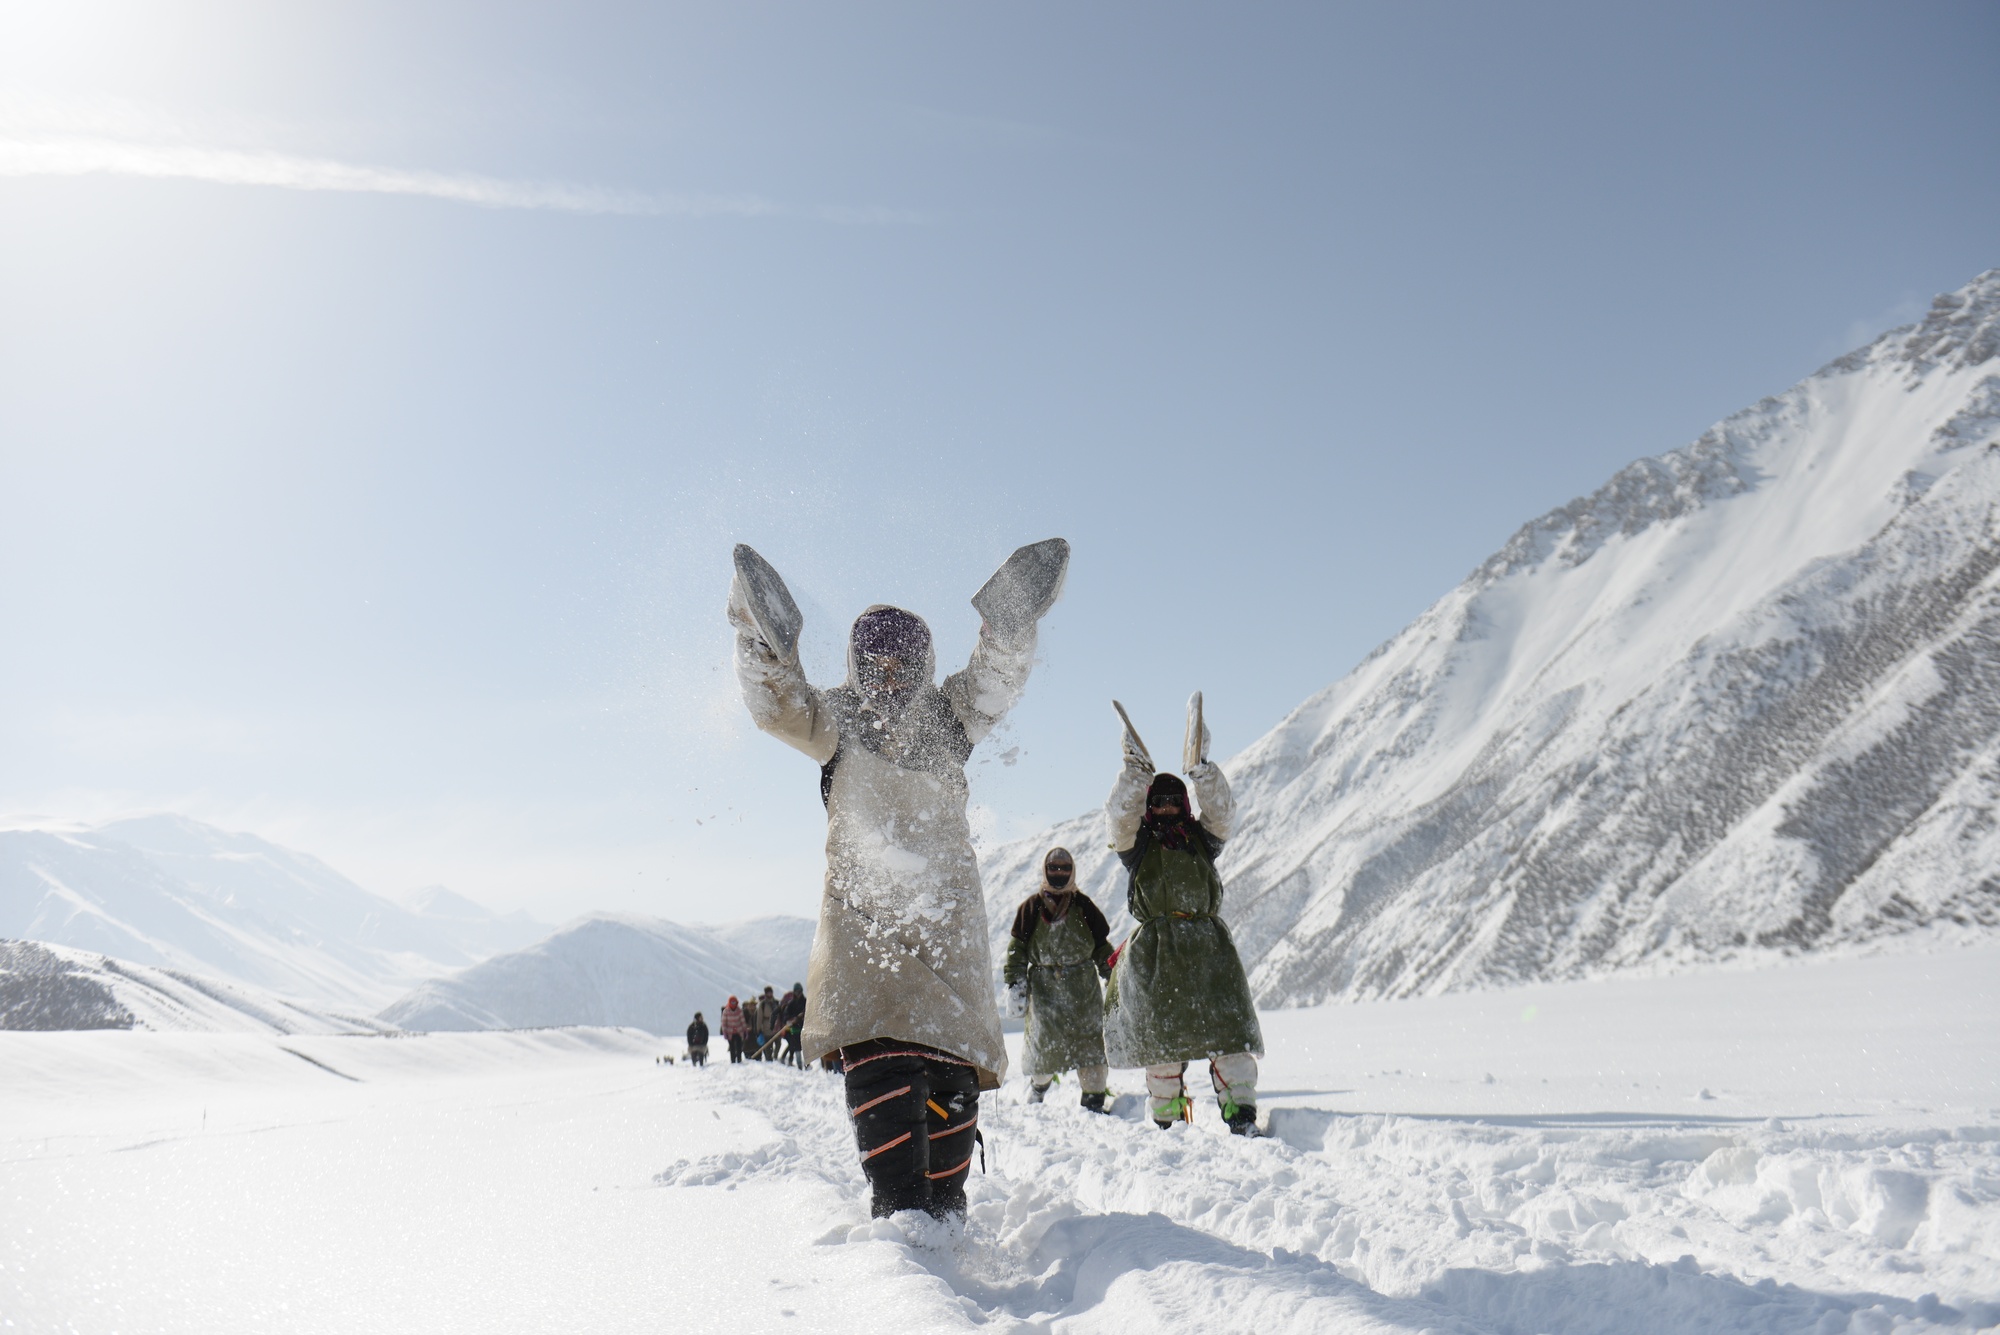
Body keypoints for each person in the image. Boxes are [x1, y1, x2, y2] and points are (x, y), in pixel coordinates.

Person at [728, 539, 1065, 1218]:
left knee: (947, 1170)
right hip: (869, 946)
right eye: (874, 663)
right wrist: (759, 634)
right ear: (855, 665)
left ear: (923, 666)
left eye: (902, 663)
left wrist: (1011, 621)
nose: (888, 677)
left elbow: (996, 679)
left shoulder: (949, 717)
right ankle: (906, 1271)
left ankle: (947, 1267)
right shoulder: (836, 720)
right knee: (900, 1165)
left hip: (946, 948)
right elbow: (775, 703)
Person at [1100, 707, 1264, 1135]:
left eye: (1175, 800)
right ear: (1151, 806)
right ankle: (1167, 1123)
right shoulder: (1135, 847)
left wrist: (1202, 771)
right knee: (1162, 1043)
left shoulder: (1201, 839)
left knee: (1230, 1034)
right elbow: (1118, 817)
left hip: (1210, 950)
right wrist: (1136, 775)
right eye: (1160, 801)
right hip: (1156, 956)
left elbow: (1224, 815)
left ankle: (1240, 1113)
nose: (1168, 807)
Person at [1002, 847, 1114, 1112]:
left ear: (1072, 870)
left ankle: (1093, 1104)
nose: (1059, 873)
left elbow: (1101, 948)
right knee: (1044, 1049)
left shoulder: (1084, 906)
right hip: (1044, 991)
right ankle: (1037, 1092)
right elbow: (1017, 950)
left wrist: (1113, 977)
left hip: (1083, 992)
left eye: (1065, 868)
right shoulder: (1031, 908)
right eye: (1054, 868)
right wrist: (1015, 984)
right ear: (1045, 870)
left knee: (1090, 1050)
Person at [779, 983, 807, 1068]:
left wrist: (802, 1017)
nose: (798, 993)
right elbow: (786, 1015)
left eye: (799, 991)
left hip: (804, 1028)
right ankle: (799, 1064)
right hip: (794, 1029)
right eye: (796, 991)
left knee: (805, 1047)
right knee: (796, 1046)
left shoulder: (806, 1002)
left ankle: (807, 1064)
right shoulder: (791, 1003)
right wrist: (791, 1019)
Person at [754, 985, 781, 1060]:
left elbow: (780, 1014)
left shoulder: (776, 1002)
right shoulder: (762, 1004)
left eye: (770, 992)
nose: (770, 994)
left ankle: (775, 1056)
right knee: (768, 1046)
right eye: (768, 993)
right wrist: (758, 1029)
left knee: (778, 1043)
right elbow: (759, 1018)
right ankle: (769, 1059)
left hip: (776, 1026)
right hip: (767, 1026)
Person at [720, 995, 749, 1063]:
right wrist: (724, 1032)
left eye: (734, 1002)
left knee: (739, 1047)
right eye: (732, 1002)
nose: (733, 1004)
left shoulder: (739, 1011)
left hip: (738, 1032)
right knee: (732, 1047)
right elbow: (724, 1023)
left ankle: (739, 1060)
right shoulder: (726, 1011)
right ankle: (733, 1061)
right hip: (729, 1032)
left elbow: (742, 1021)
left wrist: (745, 1031)